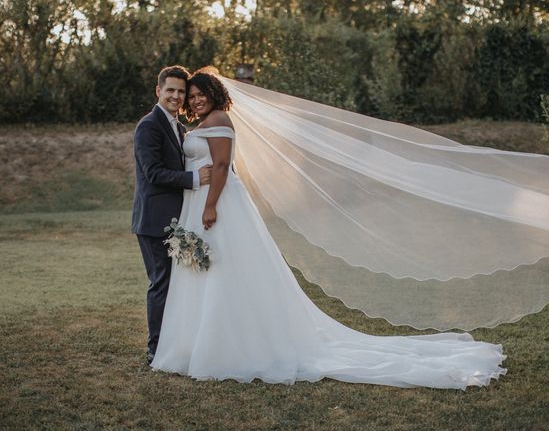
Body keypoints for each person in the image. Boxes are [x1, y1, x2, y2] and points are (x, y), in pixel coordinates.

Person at [150, 67, 508, 389]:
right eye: (191, 96)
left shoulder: (219, 122)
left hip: (218, 204)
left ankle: (224, 347)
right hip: (198, 203)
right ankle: (198, 343)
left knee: (224, 272)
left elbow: (224, 166)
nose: (194, 100)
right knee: (208, 273)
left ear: (214, 95)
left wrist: (211, 205)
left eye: (200, 95)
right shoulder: (199, 124)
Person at [131, 65, 212, 365]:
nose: (176, 96)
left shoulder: (178, 128)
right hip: (153, 220)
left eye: (181, 91)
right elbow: (153, 173)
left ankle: (173, 344)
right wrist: (194, 179)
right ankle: (155, 348)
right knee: (162, 283)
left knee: (178, 284)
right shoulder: (148, 126)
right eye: (171, 91)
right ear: (158, 91)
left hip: (178, 220)